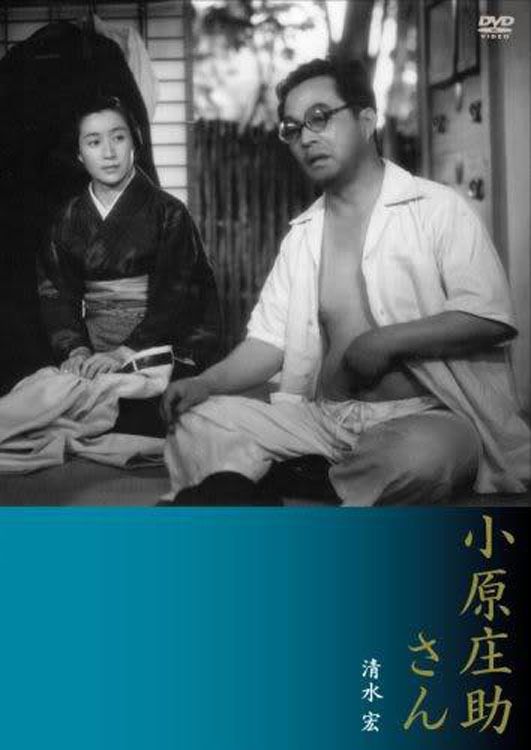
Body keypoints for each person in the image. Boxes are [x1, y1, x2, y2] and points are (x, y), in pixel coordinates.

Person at [160, 58, 530, 507]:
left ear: (366, 120)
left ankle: (273, 484)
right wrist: (205, 383)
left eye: (320, 117)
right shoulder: (303, 235)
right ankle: (311, 484)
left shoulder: (436, 208)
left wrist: (386, 341)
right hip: (324, 420)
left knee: (424, 457)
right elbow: (268, 343)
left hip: (427, 416)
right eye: (293, 128)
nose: (306, 137)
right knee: (199, 420)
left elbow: (490, 317)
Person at [38, 95, 220, 383]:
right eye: (94, 142)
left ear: (135, 142)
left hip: (156, 350)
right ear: (79, 153)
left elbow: (177, 294)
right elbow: (56, 293)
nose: (109, 152)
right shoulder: (67, 218)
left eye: (119, 138)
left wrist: (126, 351)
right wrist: (76, 350)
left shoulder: (169, 212)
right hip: (92, 353)